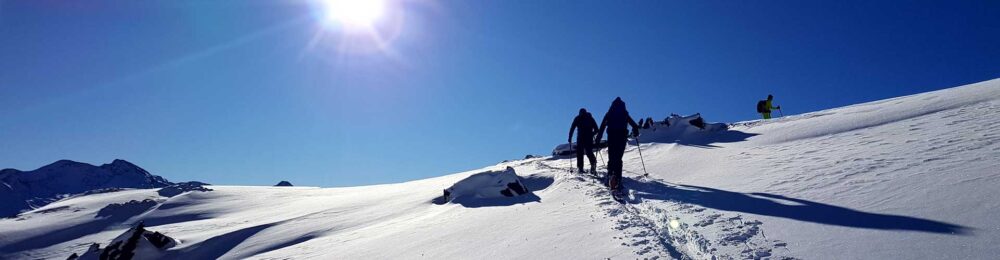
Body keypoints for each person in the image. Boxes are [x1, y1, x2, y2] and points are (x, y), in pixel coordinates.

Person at [595, 97, 640, 192]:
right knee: (618, 157)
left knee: (612, 156)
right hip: (622, 136)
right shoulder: (625, 113)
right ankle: (618, 178)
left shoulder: (609, 113)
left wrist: (598, 138)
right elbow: (634, 125)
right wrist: (635, 132)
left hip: (612, 136)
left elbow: (603, 126)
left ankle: (610, 175)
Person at [568, 108, 599, 174]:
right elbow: (596, 129)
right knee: (588, 152)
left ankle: (580, 168)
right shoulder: (590, 118)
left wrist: (570, 137)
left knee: (580, 152)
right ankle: (593, 164)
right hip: (588, 138)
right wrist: (592, 134)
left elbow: (572, 128)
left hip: (580, 138)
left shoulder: (578, 118)